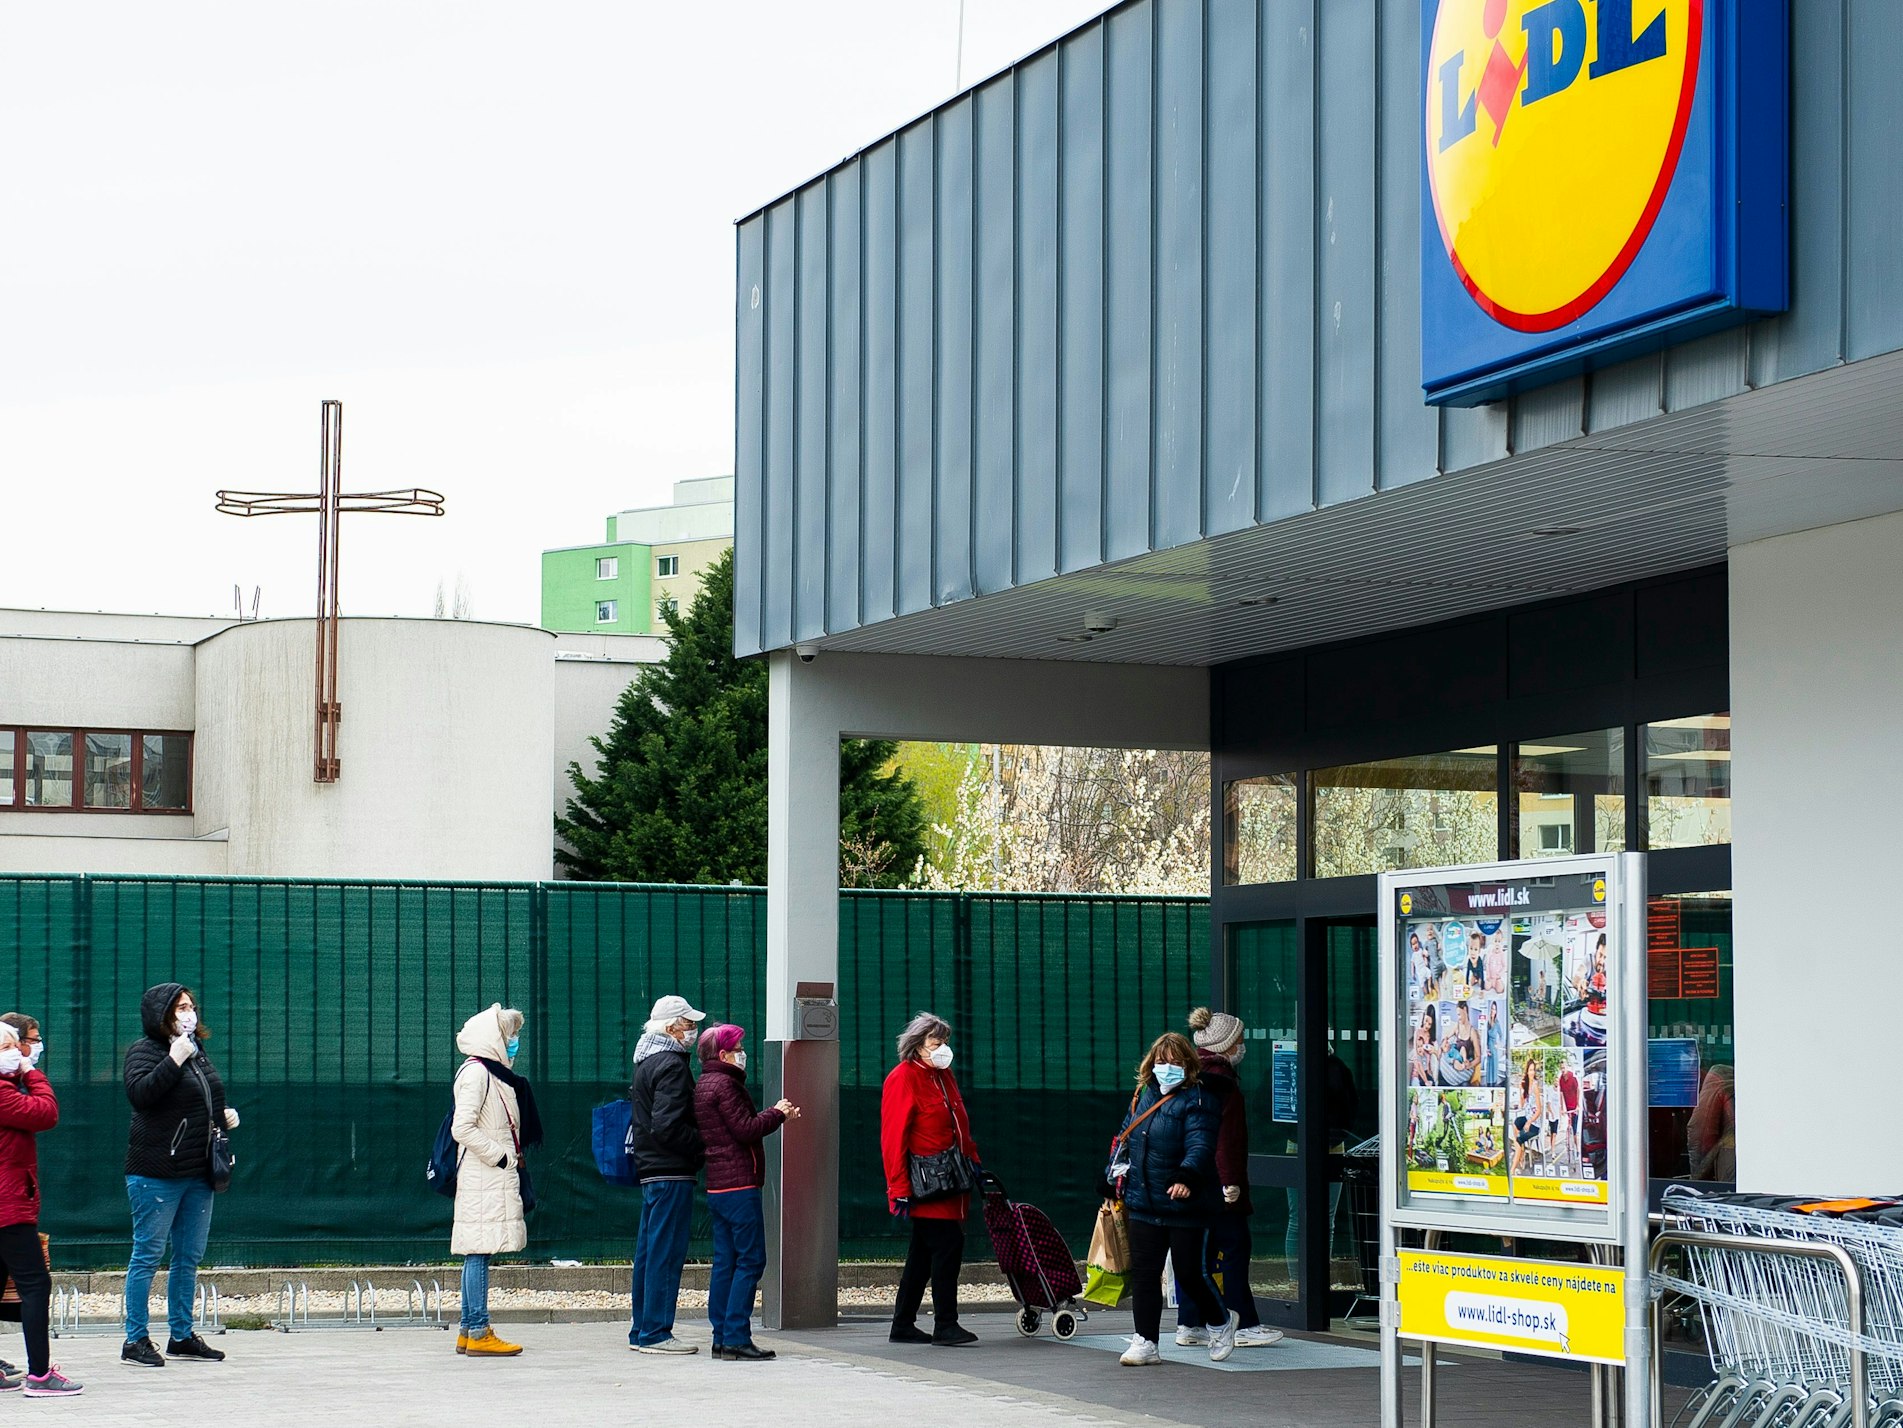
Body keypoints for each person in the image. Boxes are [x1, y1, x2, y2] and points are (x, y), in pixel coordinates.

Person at [121, 983, 235, 1368]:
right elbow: (140, 1095)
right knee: (148, 1255)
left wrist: (224, 1117)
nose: (189, 1013)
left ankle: (182, 1335)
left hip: (198, 1171)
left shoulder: (198, 1052)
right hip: (156, 1172)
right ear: (161, 1014)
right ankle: (134, 1340)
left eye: (191, 1006)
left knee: (188, 1257)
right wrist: (172, 1060)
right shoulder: (145, 1051)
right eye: (179, 1007)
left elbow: (206, 1099)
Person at [1110, 1032, 1232, 1367]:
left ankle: (1220, 1324)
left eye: (1175, 1062)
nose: (1167, 1068)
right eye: (1162, 1062)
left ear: (1188, 1065)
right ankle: (1146, 1341)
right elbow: (1125, 1138)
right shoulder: (1143, 1096)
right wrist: (1112, 1176)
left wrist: (1186, 1177)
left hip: (1186, 1206)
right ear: (1151, 1064)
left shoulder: (1199, 1099)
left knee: (1190, 1273)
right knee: (1146, 1274)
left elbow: (1200, 1145)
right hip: (1144, 1202)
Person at [1173, 1010, 1282, 1350]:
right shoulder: (1224, 1086)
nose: (1243, 1047)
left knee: (1200, 1255)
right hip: (1219, 1185)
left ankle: (1190, 1322)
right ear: (1225, 1045)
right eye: (1240, 1041)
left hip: (1193, 1181)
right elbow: (1225, 1140)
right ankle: (1244, 1323)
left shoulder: (1190, 1078)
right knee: (1235, 1250)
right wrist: (1230, 1182)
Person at [693, 1024, 799, 1362]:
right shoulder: (727, 1085)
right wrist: (777, 1113)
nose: (743, 1053)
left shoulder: (705, 1083)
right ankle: (736, 1336)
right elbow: (746, 1129)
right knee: (751, 1259)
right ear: (723, 1055)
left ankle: (721, 1336)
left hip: (718, 1184)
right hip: (739, 1184)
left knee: (726, 1261)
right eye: (738, 1048)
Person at [880, 1012, 981, 1348]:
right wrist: (898, 1188)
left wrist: (974, 1161)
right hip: (929, 1182)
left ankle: (904, 1323)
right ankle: (945, 1324)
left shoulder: (942, 1075)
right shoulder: (903, 1078)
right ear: (918, 1046)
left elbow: (959, 1122)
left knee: (923, 1254)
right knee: (947, 1246)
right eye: (936, 1043)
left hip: (950, 1178)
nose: (943, 1049)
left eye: (945, 1042)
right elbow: (893, 1138)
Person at [449, 1004, 542, 1358]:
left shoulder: (491, 1073)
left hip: (488, 1175)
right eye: (509, 1035)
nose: (514, 1041)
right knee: (478, 1251)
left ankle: (467, 1331)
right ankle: (479, 1329)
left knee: (477, 1250)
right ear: (494, 1038)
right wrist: (502, 1156)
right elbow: (463, 1128)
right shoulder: (476, 1074)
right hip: (485, 1174)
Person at [0, 1017, 77, 1396]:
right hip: (9, 1205)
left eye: (17, 1046)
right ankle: (40, 1375)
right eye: (6, 1048)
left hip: (9, 1201)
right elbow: (47, 1112)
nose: (17, 1053)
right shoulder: (2, 1093)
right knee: (35, 1283)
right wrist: (32, 1072)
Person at [628, 994, 706, 1354]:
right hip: (672, 1169)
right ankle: (656, 1332)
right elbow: (667, 1124)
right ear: (672, 1027)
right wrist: (701, 1146)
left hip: (651, 1168)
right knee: (666, 1253)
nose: (693, 1030)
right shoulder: (673, 1065)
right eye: (688, 1024)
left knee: (649, 1251)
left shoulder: (646, 1062)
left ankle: (642, 1329)